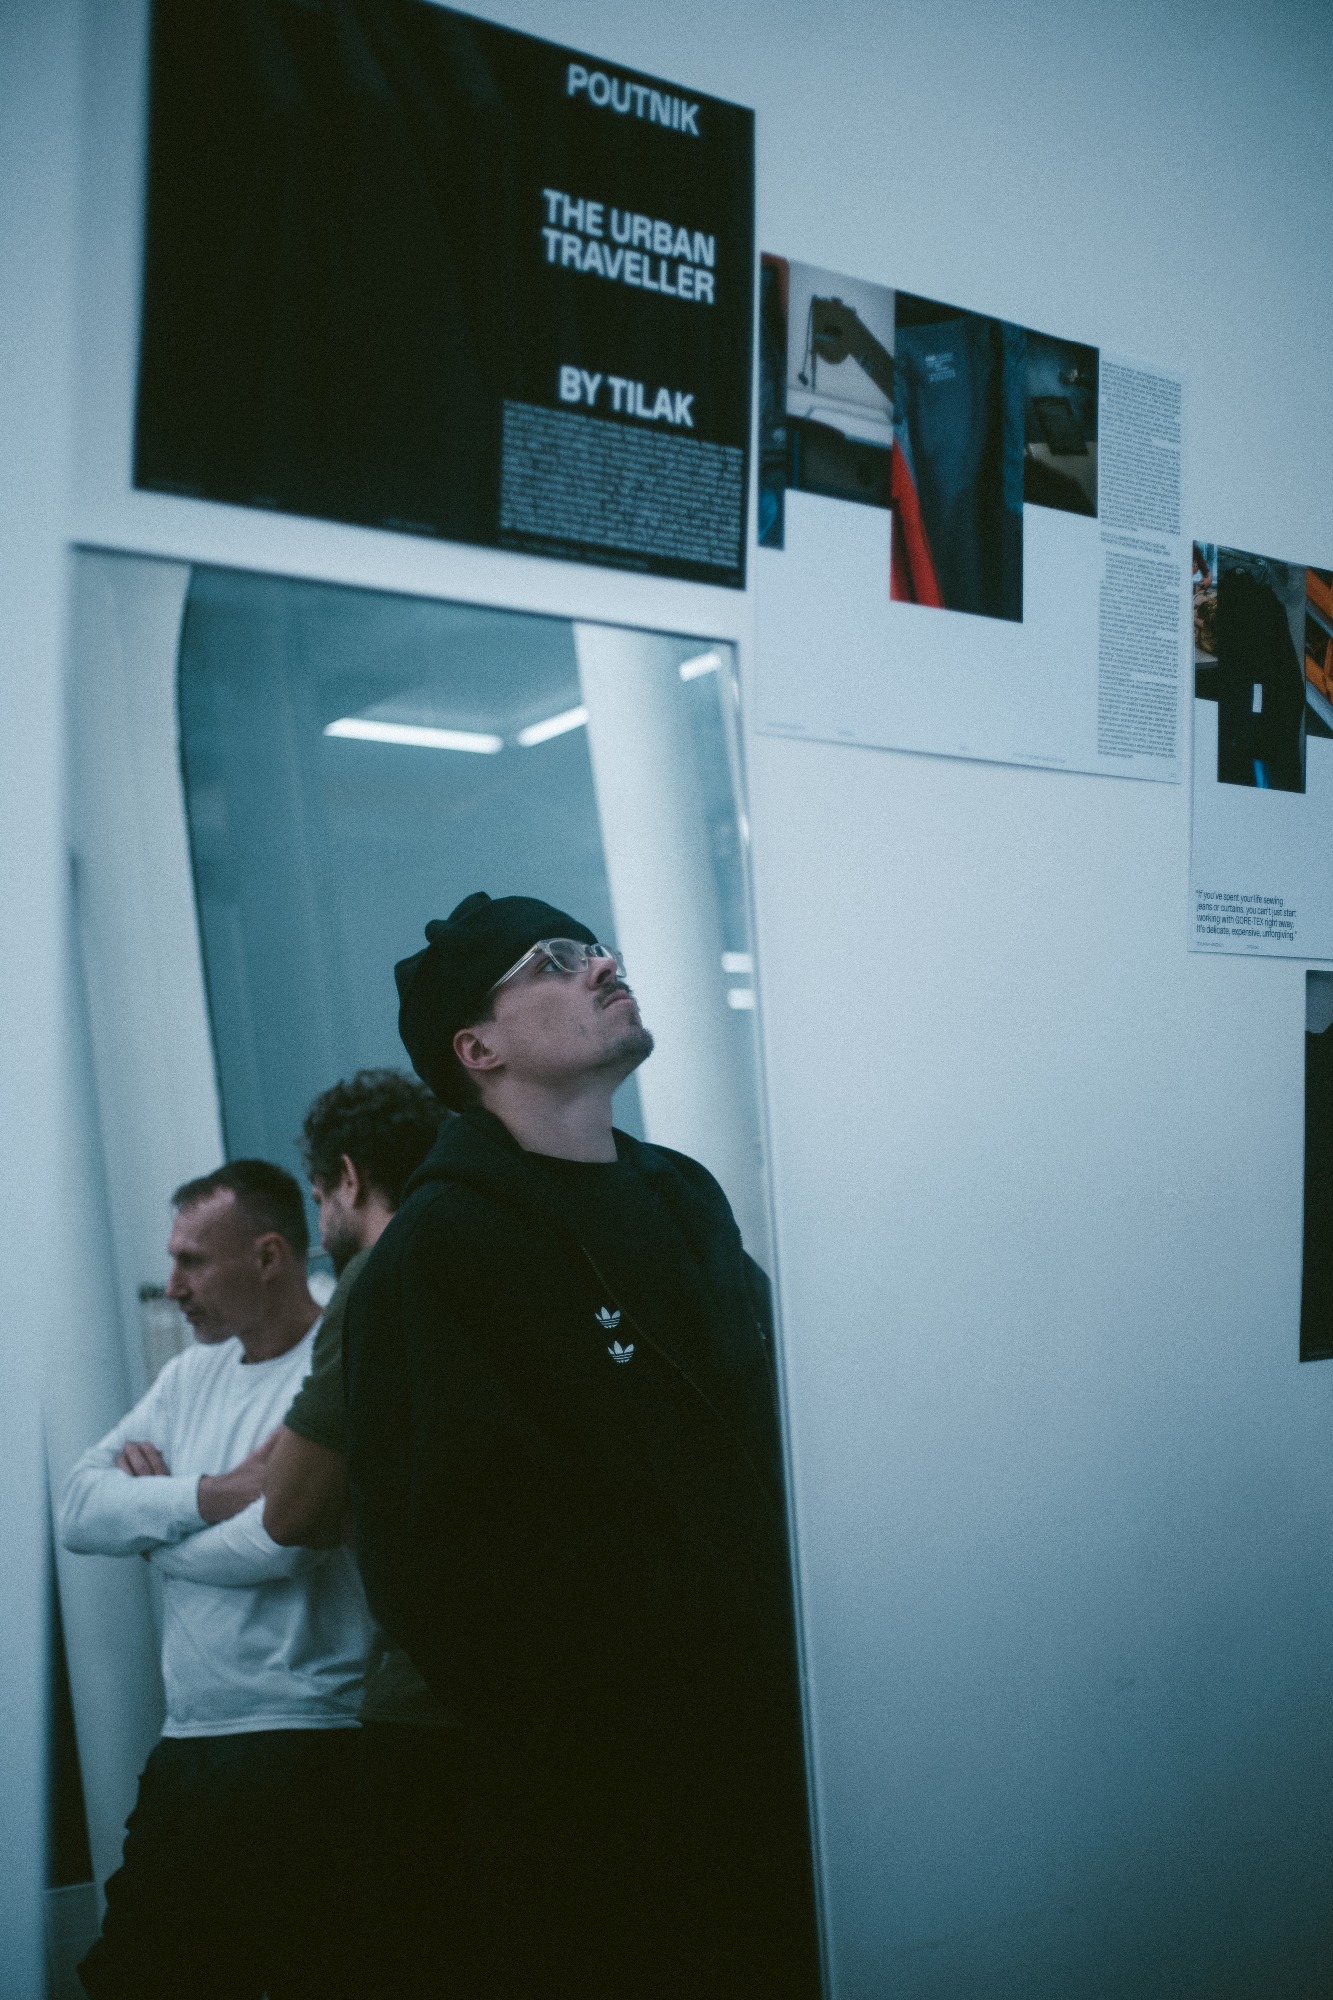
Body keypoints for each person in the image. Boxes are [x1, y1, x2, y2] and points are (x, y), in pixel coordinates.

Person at [345, 892, 822, 2000]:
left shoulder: (681, 1196)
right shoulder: (439, 1251)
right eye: (553, 959)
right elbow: (452, 1564)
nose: (602, 963)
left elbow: (773, 1432)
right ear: (476, 1048)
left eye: (596, 946)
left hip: (774, 1750)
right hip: (606, 1799)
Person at [60, 1160, 372, 2000]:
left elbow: (283, 1543)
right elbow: (80, 1508)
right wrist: (215, 1494)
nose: (173, 1287)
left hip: (312, 1741)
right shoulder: (189, 1376)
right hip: (193, 1744)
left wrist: (156, 1536)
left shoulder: (334, 1360)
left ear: (268, 1256)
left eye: (192, 1261)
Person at [259, 1070, 464, 1998]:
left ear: (347, 1176)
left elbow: (288, 1511)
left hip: (426, 1693)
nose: (320, 1220)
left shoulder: (375, 1279)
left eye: (317, 1195)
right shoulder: (488, 1257)